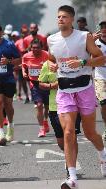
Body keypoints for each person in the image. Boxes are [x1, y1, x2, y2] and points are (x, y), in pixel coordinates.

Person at [48, 5, 106, 188]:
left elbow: (101, 58)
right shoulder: (52, 39)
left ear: (71, 19)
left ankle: (103, 154)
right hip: (64, 91)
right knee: (68, 132)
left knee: (90, 132)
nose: (60, 19)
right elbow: (52, 59)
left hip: (84, 89)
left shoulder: (83, 37)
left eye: (64, 17)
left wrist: (82, 62)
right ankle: (72, 178)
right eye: (58, 17)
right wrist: (52, 66)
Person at [38, 60, 81, 178]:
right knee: (62, 143)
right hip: (54, 107)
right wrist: (53, 85)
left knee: (72, 137)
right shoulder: (47, 64)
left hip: (73, 106)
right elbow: (41, 83)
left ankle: (70, 168)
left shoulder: (73, 60)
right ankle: (68, 157)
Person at [22, 39, 50, 137]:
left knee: (47, 107)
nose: (35, 50)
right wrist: (24, 73)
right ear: (31, 48)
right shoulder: (26, 56)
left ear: (41, 48)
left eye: (37, 48)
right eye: (33, 48)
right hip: (34, 84)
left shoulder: (47, 55)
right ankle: (41, 128)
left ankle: (45, 120)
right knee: (39, 105)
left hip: (46, 83)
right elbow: (24, 66)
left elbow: (53, 66)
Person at [94, 20, 106, 141]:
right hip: (100, 77)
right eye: (102, 27)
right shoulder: (95, 43)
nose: (104, 29)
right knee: (104, 103)